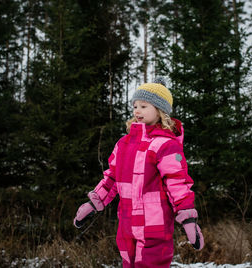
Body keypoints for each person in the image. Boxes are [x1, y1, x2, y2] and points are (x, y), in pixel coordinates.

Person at [73, 77, 204, 267]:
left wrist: (187, 217)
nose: (137, 111)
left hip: (155, 228)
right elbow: (112, 178)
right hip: (126, 226)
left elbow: (177, 183)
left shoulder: (166, 145)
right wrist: (95, 201)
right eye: (135, 106)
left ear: (160, 111)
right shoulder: (124, 144)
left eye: (143, 106)